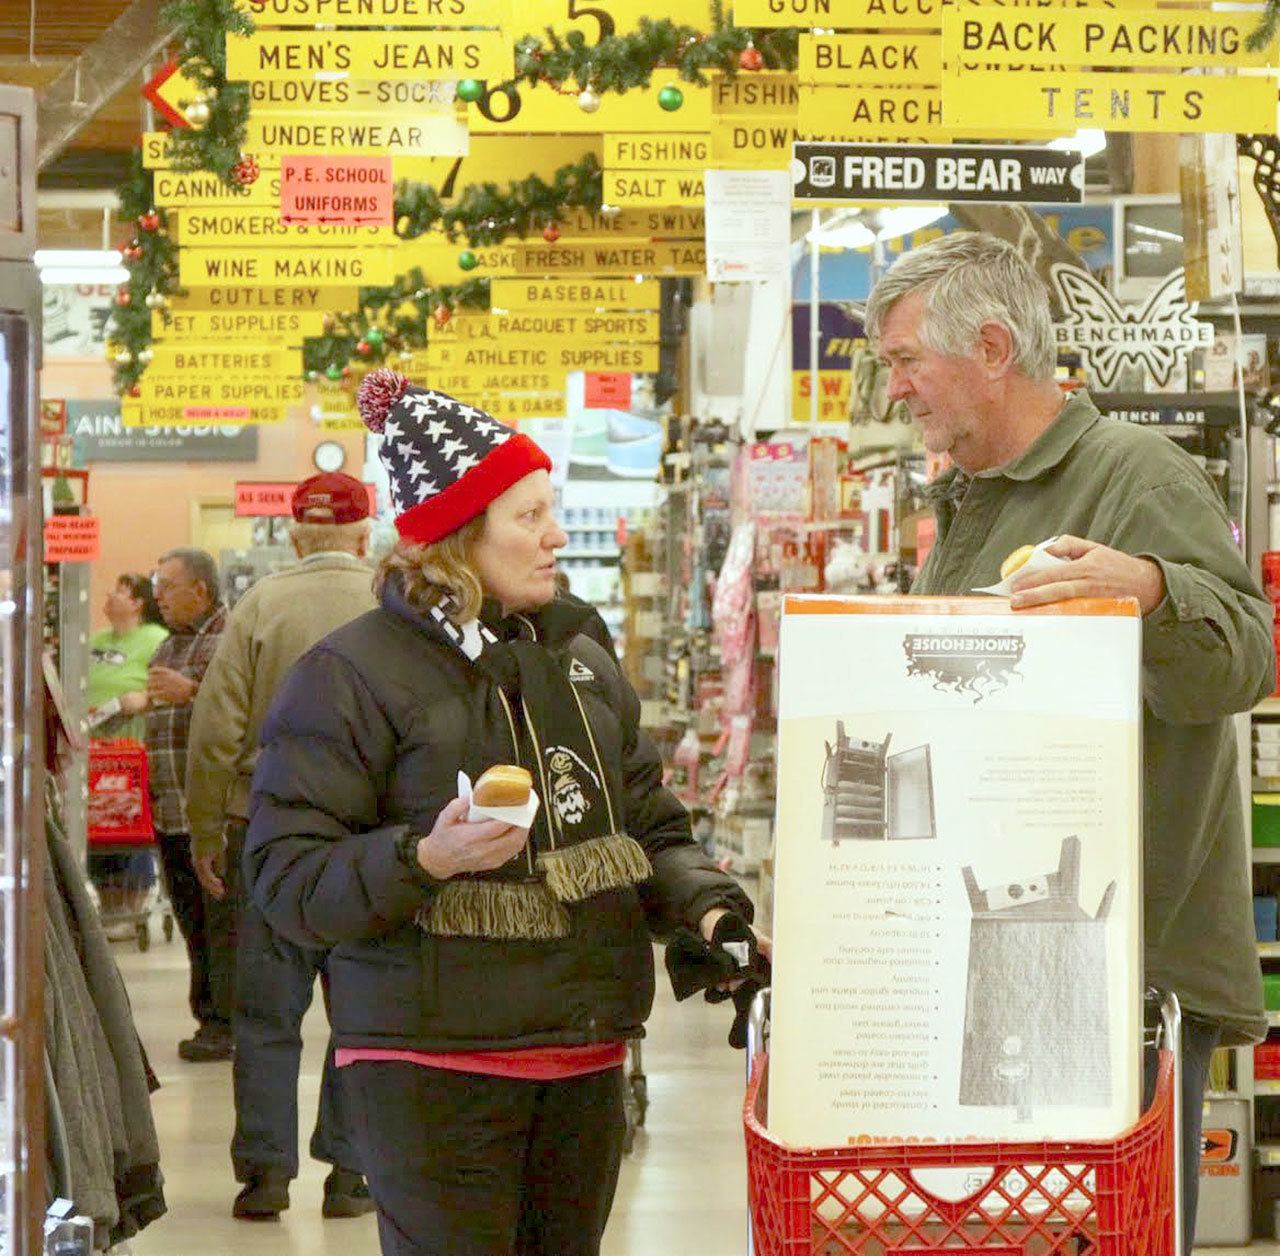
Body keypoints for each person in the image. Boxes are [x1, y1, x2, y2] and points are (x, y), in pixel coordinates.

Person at [245, 372, 761, 1256]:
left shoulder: (578, 660)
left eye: (550, 510)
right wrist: (425, 858)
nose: (556, 535)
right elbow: (287, 880)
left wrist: (708, 907)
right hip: (429, 1065)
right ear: (454, 535)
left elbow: (646, 823)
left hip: (584, 1056)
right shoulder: (350, 676)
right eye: (528, 515)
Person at [865, 231, 1275, 1246]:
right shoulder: (970, 496)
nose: (895, 391)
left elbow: (1242, 660)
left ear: (991, 347)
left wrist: (1148, 588)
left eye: (904, 361)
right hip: (998, 955)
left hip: (1120, 971)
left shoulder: (1131, 471)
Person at [185, 473, 378, 1222]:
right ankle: (351, 1173)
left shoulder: (259, 606)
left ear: (294, 540)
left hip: (266, 831)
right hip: (370, 842)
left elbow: (214, 730)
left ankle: (264, 1174)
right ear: (367, 539)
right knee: (362, 1009)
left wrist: (208, 830)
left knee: (267, 1013)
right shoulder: (393, 606)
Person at [145, 547, 229, 1062]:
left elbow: (245, 713)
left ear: (199, 590)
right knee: (191, 922)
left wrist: (193, 692)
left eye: (167, 586)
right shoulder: (166, 648)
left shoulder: (230, 639)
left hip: (212, 815)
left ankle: (224, 1022)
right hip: (170, 810)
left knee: (219, 922)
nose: (158, 597)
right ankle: (206, 1016)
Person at [86, 573, 168, 920]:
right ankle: (103, 902)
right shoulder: (95, 641)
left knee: (129, 822)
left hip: (134, 750)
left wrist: (144, 698)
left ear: (137, 603)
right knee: (97, 824)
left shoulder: (155, 639)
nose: (109, 594)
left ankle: (131, 902)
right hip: (92, 750)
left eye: (119, 590)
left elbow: (167, 688)